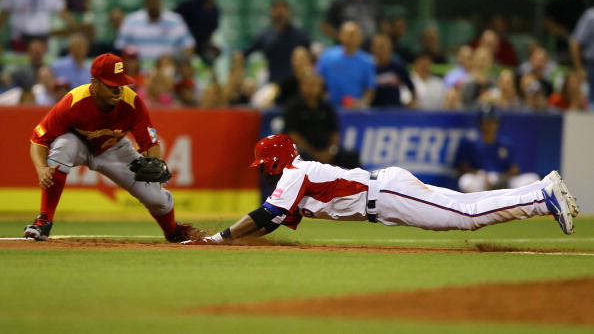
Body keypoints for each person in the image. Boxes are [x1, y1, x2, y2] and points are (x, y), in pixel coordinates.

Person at [181, 134, 579, 246]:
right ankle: (539, 192)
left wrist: (220, 237)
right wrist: (229, 240)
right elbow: (272, 222)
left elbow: (267, 214)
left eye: (263, 164)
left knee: (465, 216)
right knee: (466, 204)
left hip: (385, 195)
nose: (263, 172)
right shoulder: (297, 177)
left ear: (274, 160)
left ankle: (540, 198)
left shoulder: (293, 173)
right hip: (386, 195)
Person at [24, 53, 202, 242]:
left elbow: (150, 143)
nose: (118, 91)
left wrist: (154, 161)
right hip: (78, 144)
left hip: (114, 149)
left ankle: (173, 230)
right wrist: (42, 169)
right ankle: (43, 220)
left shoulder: (132, 102)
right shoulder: (73, 101)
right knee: (63, 148)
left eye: (121, 84)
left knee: (156, 197)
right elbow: (38, 140)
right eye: (111, 85)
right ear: (95, 83)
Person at [454, 106, 540, 193]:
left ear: (497, 123)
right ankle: (484, 204)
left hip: (504, 181)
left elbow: (514, 169)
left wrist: (501, 178)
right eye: (485, 122)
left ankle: (510, 204)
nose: (489, 126)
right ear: (480, 124)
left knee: (532, 178)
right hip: (482, 181)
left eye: (492, 122)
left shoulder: (505, 144)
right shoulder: (472, 144)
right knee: (466, 181)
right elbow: (463, 168)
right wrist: (480, 174)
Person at [283, 72, 361, 169]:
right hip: (303, 151)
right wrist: (314, 154)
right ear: (301, 86)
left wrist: (330, 151)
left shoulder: (326, 107)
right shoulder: (293, 107)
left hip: (326, 151)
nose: (310, 88)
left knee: (351, 156)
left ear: (320, 87)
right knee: (300, 157)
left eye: (314, 85)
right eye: (307, 85)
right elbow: (293, 134)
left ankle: (357, 183)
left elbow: (335, 133)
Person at [243, 0, 311, 84]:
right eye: (276, 8)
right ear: (271, 11)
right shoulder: (264, 36)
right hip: (273, 83)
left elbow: (312, 56)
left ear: (289, 11)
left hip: (296, 84)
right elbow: (244, 55)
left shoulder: (300, 34)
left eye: (283, 8)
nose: (280, 12)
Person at [115, 0, 195, 61]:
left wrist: (182, 63)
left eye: (155, 3)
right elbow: (120, 47)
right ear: (146, 4)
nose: (153, 6)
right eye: (151, 3)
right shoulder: (131, 21)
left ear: (160, 3)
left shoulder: (174, 21)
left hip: (167, 70)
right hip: (139, 71)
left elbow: (188, 45)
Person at [318, 21, 376, 108]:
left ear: (360, 38)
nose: (350, 37)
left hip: (355, 111)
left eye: (354, 34)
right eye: (348, 34)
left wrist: (361, 103)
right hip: (330, 110)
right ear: (340, 36)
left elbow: (370, 89)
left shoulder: (367, 61)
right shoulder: (327, 57)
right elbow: (319, 81)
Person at [321, 0, 386, 47]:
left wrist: (381, 38)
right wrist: (341, 37)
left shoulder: (374, 2)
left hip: (370, 46)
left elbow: (383, 24)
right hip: (347, 47)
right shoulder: (339, 3)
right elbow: (325, 27)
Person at [544, 0, 588, 65]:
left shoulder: (584, 3)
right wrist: (565, 35)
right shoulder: (556, 3)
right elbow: (547, 24)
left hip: (583, 50)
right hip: (563, 51)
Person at [175, 0, 220, 64]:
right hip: (185, 48)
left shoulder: (215, 11)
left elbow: (210, 34)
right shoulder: (189, 5)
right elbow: (174, 19)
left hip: (201, 49)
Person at [369, 34, 416, 108]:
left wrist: (413, 102)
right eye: (376, 47)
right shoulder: (369, 67)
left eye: (382, 47)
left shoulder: (398, 66)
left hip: (394, 110)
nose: (379, 50)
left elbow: (411, 87)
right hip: (374, 110)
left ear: (390, 48)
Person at [569, 6, 594, 108]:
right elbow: (574, 43)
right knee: (590, 104)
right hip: (591, 67)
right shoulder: (591, 16)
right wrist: (579, 69)